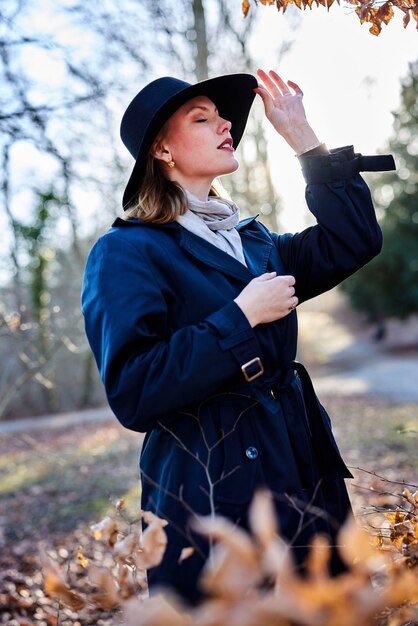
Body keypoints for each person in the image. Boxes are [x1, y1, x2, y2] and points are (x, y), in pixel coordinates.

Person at [81, 69, 395, 604]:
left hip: (302, 468)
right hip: (211, 492)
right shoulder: (125, 251)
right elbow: (134, 391)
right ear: (162, 150)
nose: (226, 124)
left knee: (330, 609)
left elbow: (354, 239)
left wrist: (305, 142)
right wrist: (240, 317)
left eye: (221, 115)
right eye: (201, 119)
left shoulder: (254, 241)